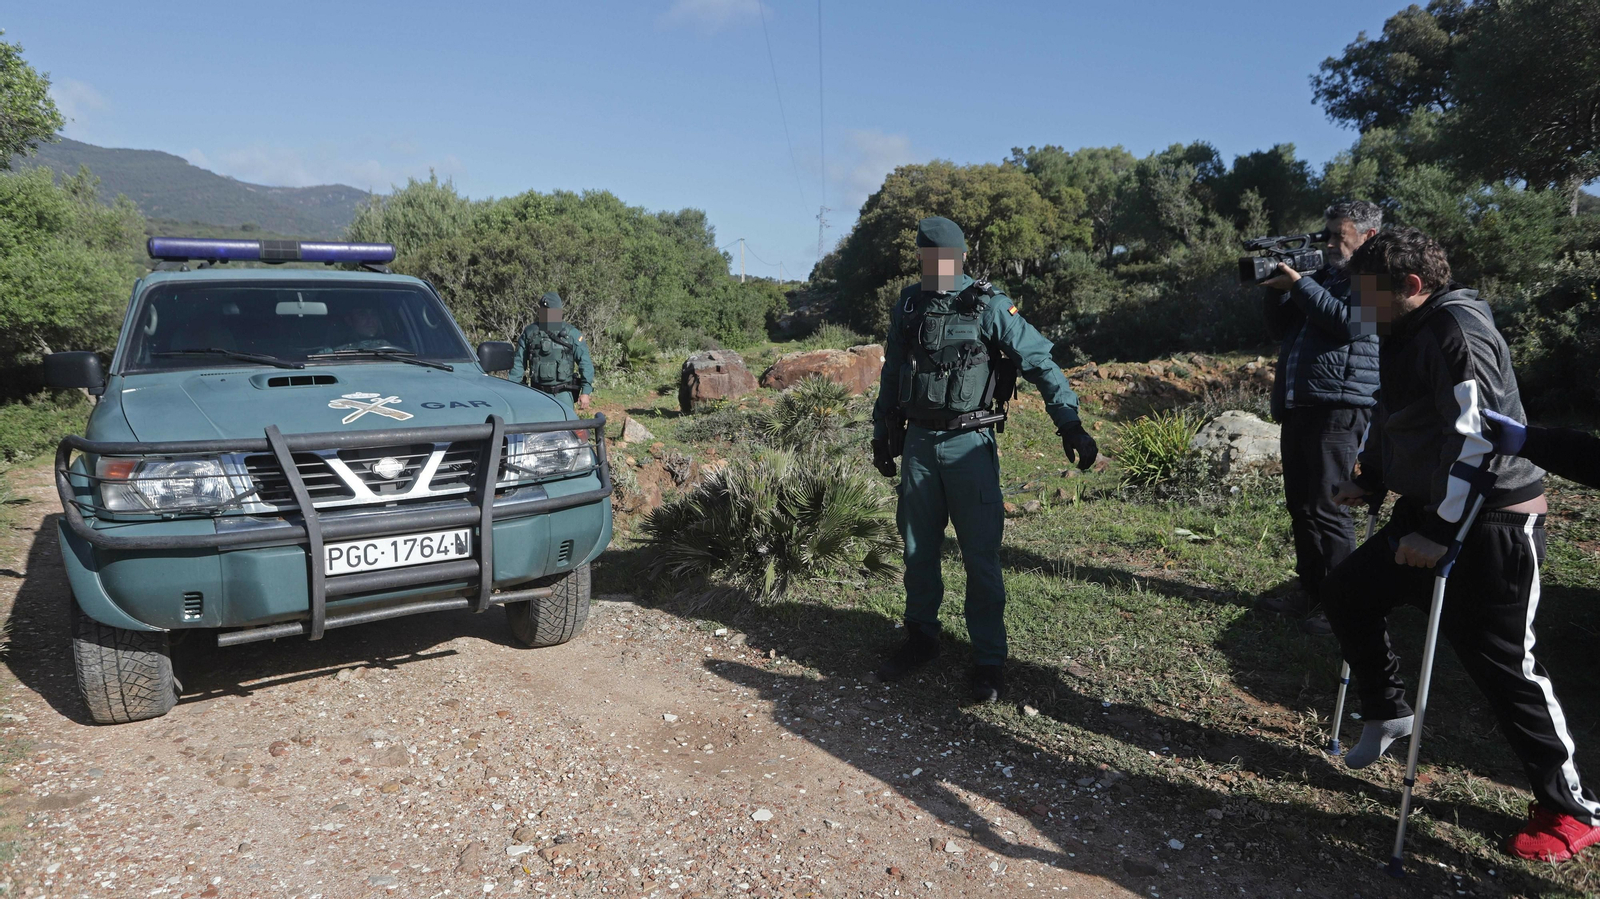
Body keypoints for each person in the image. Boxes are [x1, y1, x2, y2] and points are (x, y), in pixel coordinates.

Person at [1323, 227, 1599, 863]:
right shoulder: (1399, 332)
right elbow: (1399, 419)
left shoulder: (1459, 330)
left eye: (1368, 297)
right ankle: (1388, 711)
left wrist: (1442, 533)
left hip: (1493, 522)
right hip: (1428, 509)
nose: (1358, 310)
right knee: (1347, 593)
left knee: (1506, 671)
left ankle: (1571, 809)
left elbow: (1481, 441)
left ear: (1412, 287)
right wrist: (1373, 478)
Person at [869, 216, 1098, 703]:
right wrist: (882, 432)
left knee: (980, 556)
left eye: (944, 258)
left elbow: (1040, 362)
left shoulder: (989, 305)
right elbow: (893, 369)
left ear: (960, 256)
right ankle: (921, 638)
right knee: (917, 550)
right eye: (928, 258)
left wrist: (1070, 423)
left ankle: (989, 660)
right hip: (918, 446)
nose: (936, 267)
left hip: (970, 445)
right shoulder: (910, 303)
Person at [1256, 200, 1382, 636]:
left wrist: (1300, 286)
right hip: (1303, 402)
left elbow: (1351, 325)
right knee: (1302, 505)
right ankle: (1312, 590)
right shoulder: (1325, 276)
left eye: (1337, 236)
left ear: (1367, 236)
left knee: (1329, 506)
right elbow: (1280, 331)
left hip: (1341, 405)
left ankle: (1342, 604)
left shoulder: (1378, 277)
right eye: (1326, 233)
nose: (1328, 242)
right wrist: (1278, 290)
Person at [509, 291, 594, 414]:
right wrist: (512, 389)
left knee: (566, 428)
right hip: (537, 392)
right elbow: (518, 362)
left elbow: (585, 362)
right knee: (537, 429)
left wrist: (586, 391)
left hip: (563, 393)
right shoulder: (530, 333)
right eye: (543, 310)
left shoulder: (571, 334)